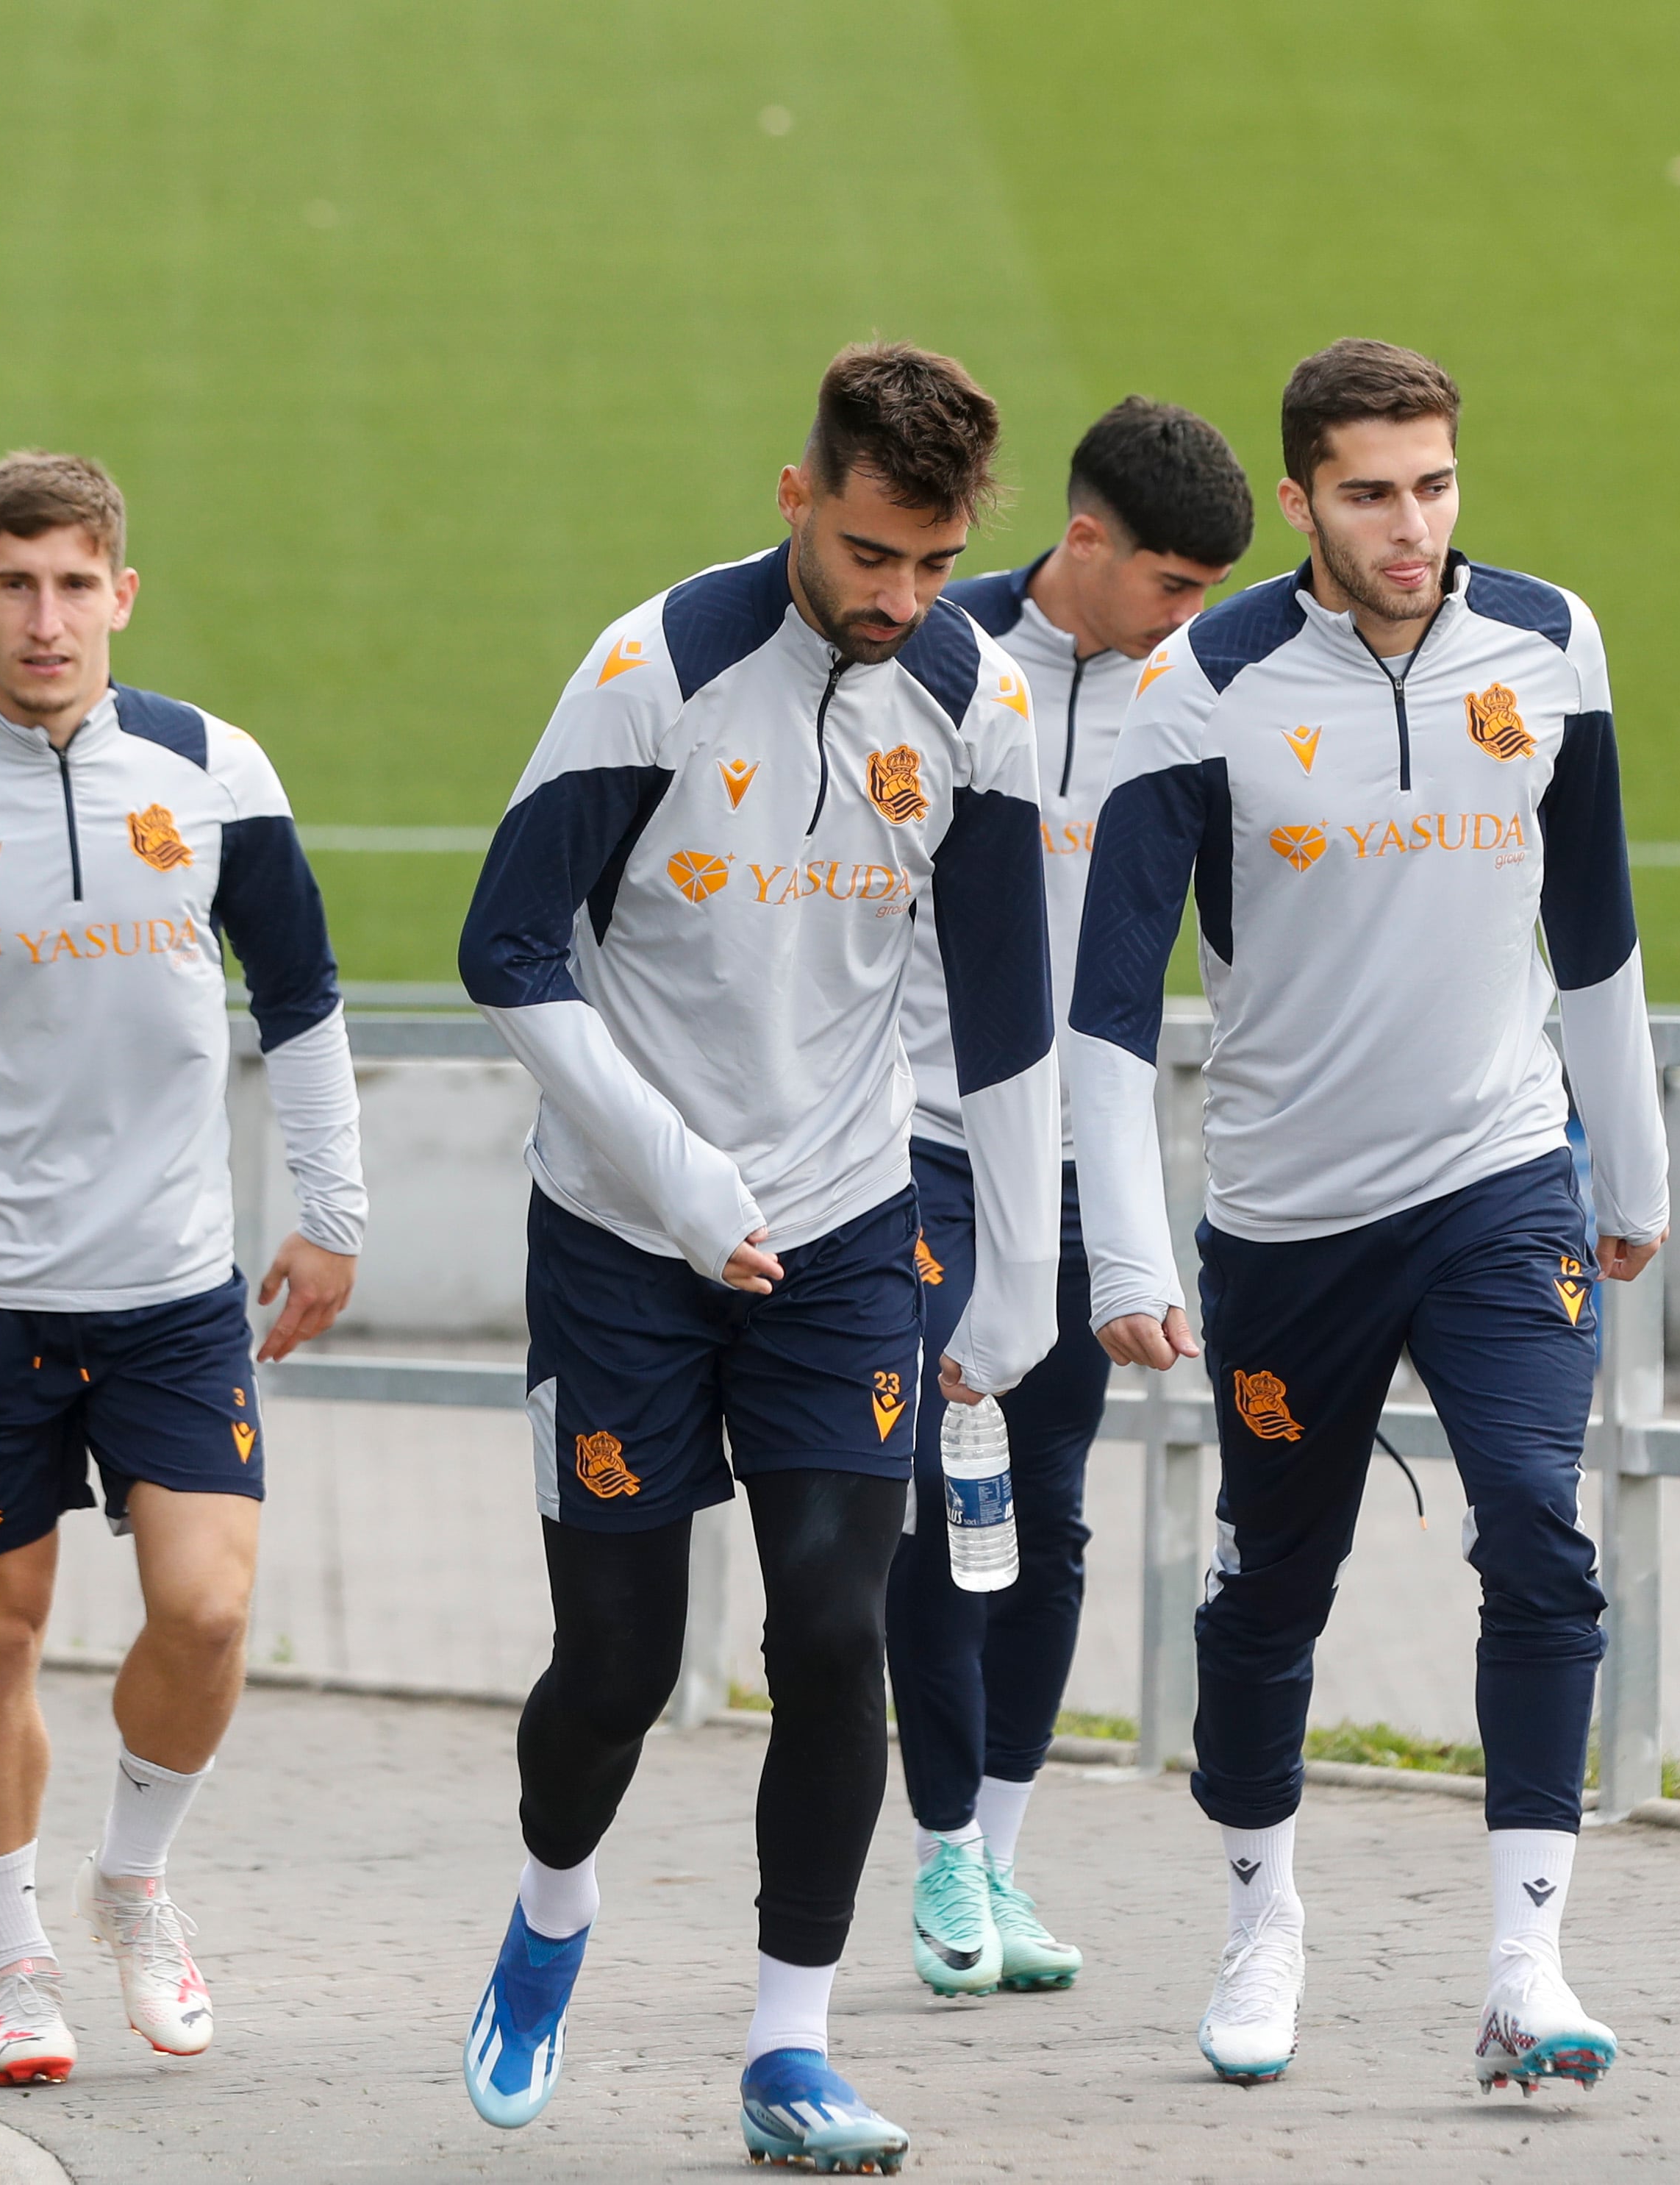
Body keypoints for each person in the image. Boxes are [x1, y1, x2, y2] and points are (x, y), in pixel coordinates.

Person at [453, 342, 1057, 2173]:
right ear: (799, 498)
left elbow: (1013, 1006)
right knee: (617, 1663)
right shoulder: (652, 675)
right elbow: (505, 948)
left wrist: (1020, 1270)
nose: (901, 600)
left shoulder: (976, 697)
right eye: (874, 554)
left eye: (937, 564)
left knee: (834, 1617)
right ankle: (551, 1918)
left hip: (854, 1233)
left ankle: (789, 2047)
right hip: (629, 1238)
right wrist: (677, 1168)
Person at [1065, 339, 1668, 2092]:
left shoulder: (1551, 646)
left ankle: (1526, 1964)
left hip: (1502, 1183)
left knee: (1543, 1541)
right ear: (1306, 501)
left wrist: (1624, 1166)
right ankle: (1263, 1918)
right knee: (1271, 1593)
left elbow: (1601, 930)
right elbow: (1108, 1009)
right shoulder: (1205, 680)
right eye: (1372, 495)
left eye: (1439, 485)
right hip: (1289, 1222)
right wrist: (1126, 1250)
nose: (1416, 528)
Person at [0, 451, 366, 2089]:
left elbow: (306, 998)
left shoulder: (216, 774)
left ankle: (132, 1880)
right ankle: (14, 1965)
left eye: (75, 584)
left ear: (122, 594)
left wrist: (334, 1210)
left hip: (178, 1289)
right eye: (14, 584)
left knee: (207, 1606)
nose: (45, 619)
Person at [886, 396, 1251, 2000]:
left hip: (1093, 1150)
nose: (1193, 620)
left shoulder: (1203, 689)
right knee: (945, 1491)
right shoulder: (929, 650)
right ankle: (943, 1847)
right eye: (1172, 584)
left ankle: (1004, 1857)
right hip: (919, 1141)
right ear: (1084, 543)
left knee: (1052, 1511)